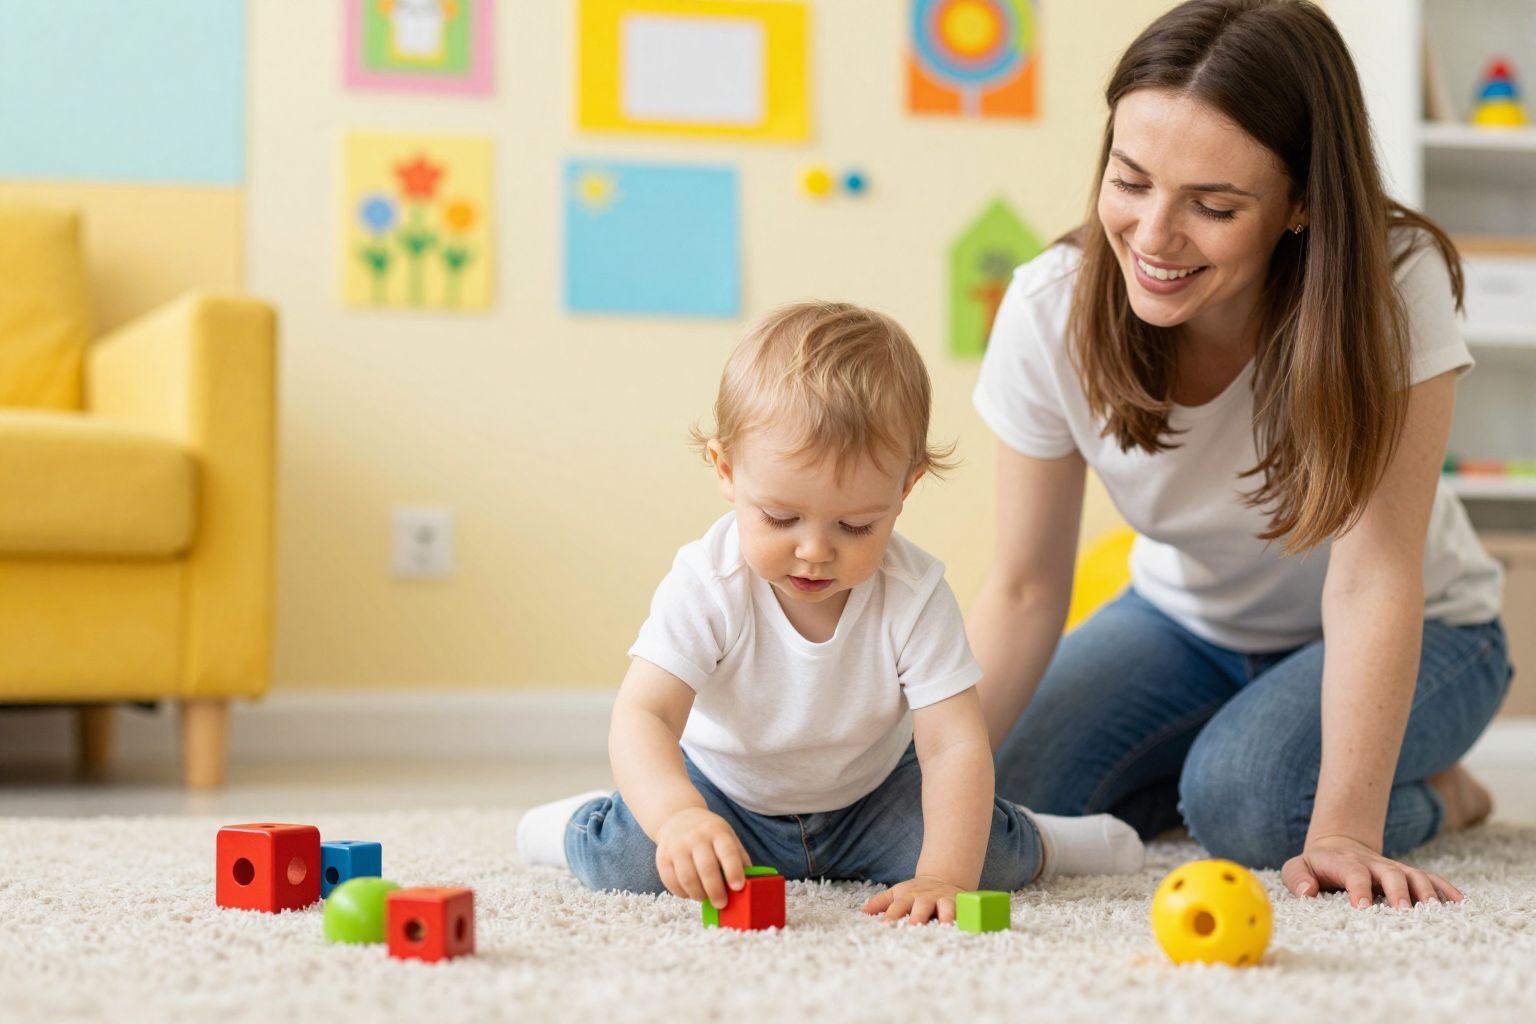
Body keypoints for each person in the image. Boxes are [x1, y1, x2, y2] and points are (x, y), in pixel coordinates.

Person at [969, 0, 1512, 912]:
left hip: (1425, 628)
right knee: (1005, 790)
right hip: (1183, 624)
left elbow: (1374, 577)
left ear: (1301, 203)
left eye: (1213, 206)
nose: (1153, 236)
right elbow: (1024, 588)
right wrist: (924, 782)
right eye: (1130, 181)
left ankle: (1447, 794)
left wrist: (1346, 831)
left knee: (1255, 808)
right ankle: (1225, 748)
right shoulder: (1046, 307)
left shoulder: (1393, 284)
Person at [518, 301, 1142, 924]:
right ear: (726, 470)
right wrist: (679, 816)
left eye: (856, 525)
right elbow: (645, 714)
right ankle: (571, 825)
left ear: (905, 488)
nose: (815, 551)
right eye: (781, 518)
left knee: (980, 859)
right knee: (631, 858)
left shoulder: (914, 594)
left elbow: (953, 744)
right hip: (724, 795)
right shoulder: (709, 582)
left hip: (870, 801)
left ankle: (1051, 839)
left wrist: (943, 875)